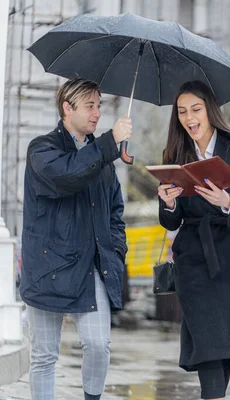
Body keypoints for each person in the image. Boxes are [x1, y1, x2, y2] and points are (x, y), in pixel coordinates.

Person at [157, 80, 230, 400]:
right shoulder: (175, 154)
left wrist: (228, 202)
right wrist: (167, 203)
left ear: (210, 111)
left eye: (196, 110)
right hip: (194, 258)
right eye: (182, 112)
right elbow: (172, 220)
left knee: (224, 346)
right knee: (209, 341)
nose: (189, 118)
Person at [20, 78, 132, 400]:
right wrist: (110, 142)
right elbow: (69, 174)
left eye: (99, 105)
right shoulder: (42, 149)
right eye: (90, 106)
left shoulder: (102, 158)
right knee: (44, 355)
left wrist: (116, 252)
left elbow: (115, 214)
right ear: (68, 109)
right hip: (45, 267)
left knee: (99, 344)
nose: (97, 113)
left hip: (90, 266)